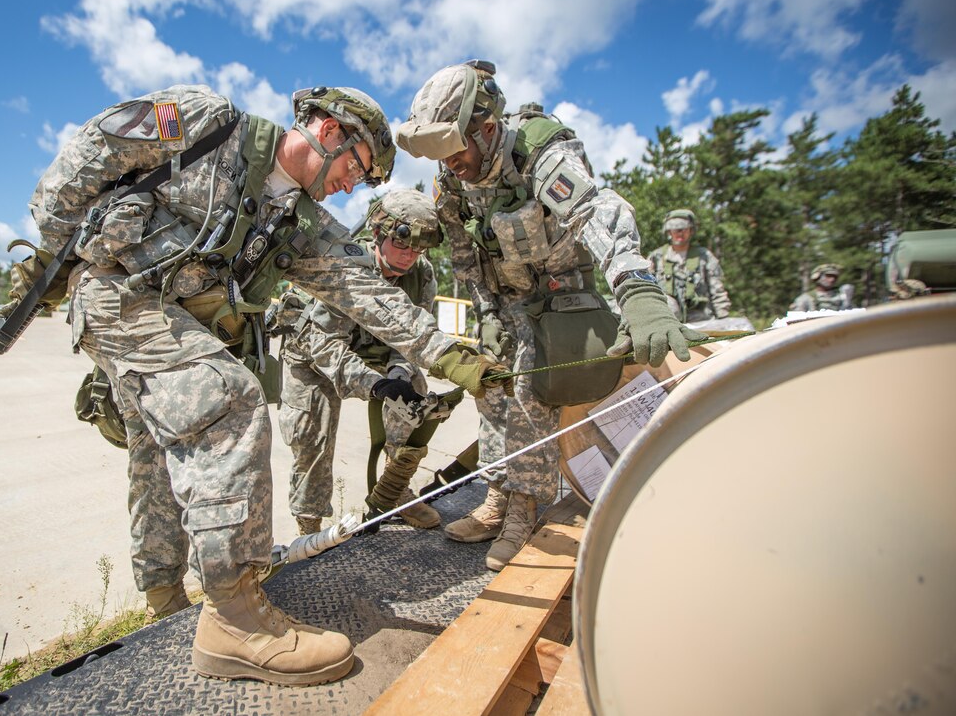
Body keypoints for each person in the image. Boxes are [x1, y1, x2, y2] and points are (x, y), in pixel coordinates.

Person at [26, 83, 507, 687]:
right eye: (361, 169)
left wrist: (450, 357)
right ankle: (235, 615)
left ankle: (165, 600)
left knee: (155, 453)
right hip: (118, 295)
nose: (354, 186)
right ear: (331, 132)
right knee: (230, 400)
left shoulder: (299, 225)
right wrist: (52, 250)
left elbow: (368, 294)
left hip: (175, 320)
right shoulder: (209, 124)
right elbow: (98, 146)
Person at [396, 61, 703, 572]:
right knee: (491, 385)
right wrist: (485, 312)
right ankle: (498, 494)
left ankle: (523, 508)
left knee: (531, 393)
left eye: (456, 153)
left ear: (487, 129)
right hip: (506, 301)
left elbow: (597, 211)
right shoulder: (452, 182)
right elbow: (464, 253)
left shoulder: (538, 151)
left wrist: (638, 290)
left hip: (562, 297)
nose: (450, 166)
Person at [278, 189, 445, 534]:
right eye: (403, 243)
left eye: (419, 247)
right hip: (314, 353)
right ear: (380, 233)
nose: (410, 255)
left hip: (377, 351)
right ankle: (309, 527)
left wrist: (399, 373)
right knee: (312, 435)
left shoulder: (422, 276)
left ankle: (395, 491)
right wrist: (378, 385)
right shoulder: (345, 264)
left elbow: (413, 337)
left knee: (414, 396)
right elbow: (325, 348)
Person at [648, 209, 732, 323]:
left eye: (684, 229)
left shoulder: (704, 256)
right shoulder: (656, 257)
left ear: (691, 231)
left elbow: (717, 290)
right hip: (667, 321)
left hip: (701, 321)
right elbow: (646, 290)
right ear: (669, 232)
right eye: (676, 230)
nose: (680, 233)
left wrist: (723, 318)